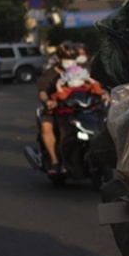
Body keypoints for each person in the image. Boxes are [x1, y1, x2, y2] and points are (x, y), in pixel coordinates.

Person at [35, 41, 79, 174]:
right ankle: (54, 160)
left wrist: (104, 94)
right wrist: (47, 101)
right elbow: (42, 92)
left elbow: (93, 84)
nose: (70, 63)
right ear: (59, 59)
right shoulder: (49, 74)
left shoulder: (81, 71)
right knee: (46, 127)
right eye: (67, 59)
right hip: (55, 109)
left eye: (73, 59)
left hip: (77, 110)